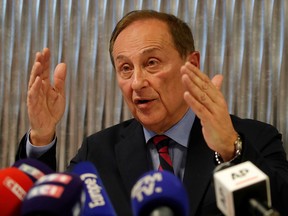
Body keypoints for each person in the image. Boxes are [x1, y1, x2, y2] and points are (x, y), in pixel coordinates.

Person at [16, 10, 288, 216]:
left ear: (191, 64)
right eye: (125, 68)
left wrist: (231, 149)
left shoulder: (254, 137)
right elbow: (49, 207)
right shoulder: (97, 152)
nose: (137, 82)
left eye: (152, 63)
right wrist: (41, 136)